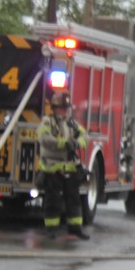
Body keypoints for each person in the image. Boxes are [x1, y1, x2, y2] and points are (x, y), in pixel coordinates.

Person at [37, 92, 90, 240]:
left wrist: (78, 142)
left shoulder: (71, 122)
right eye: (63, 108)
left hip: (70, 169)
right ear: (54, 108)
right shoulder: (47, 122)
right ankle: (51, 230)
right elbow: (43, 138)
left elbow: (85, 135)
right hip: (52, 169)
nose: (65, 111)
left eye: (67, 108)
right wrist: (63, 144)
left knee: (74, 200)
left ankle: (75, 229)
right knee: (52, 201)